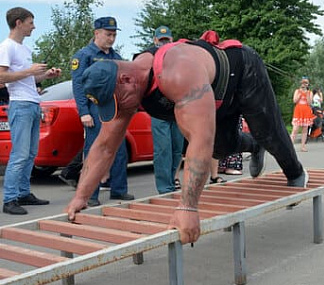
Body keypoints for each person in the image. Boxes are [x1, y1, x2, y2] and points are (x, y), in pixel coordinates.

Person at [66, 31, 308, 244]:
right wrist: (81, 196)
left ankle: (295, 172)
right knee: (219, 150)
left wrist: (188, 207)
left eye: (118, 102)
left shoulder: (178, 73)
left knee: (269, 132)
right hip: (214, 97)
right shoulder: (126, 85)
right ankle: (255, 147)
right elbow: (105, 146)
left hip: (243, 73)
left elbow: (199, 139)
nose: (121, 110)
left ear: (126, 79)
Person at [0, 7, 62, 215]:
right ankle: (9, 200)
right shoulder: (6, 47)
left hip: (34, 104)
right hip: (20, 105)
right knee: (20, 154)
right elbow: (1, 78)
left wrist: (45, 76)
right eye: (30, 22)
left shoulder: (24, 49)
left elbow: (28, 78)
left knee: (30, 154)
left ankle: (24, 193)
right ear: (18, 23)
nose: (33, 26)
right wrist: (30, 71)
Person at [70, 16, 134, 207]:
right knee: (94, 151)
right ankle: (90, 193)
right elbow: (78, 86)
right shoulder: (84, 55)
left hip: (114, 110)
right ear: (96, 33)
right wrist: (83, 112)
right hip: (94, 108)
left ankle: (119, 190)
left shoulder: (116, 57)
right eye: (108, 34)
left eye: (114, 35)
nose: (111, 38)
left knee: (119, 150)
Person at [149, 26, 185, 194]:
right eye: (161, 40)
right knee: (163, 149)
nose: (164, 42)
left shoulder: (178, 57)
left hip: (177, 109)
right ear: (155, 40)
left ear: (172, 40)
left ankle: (172, 181)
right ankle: (165, 188)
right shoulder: (148, 56)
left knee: (177, 149)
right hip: (158, 109)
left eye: (167, 40)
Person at [289, 77, 313, 152]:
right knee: (295, 129)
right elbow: (295, 101)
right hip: (298, 110)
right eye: (303, 82)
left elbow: (309, 103)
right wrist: (300, 94)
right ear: (301, 83)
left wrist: (307, 94)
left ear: (308, 84)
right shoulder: (297, 91)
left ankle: (303, 146)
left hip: (306, 111)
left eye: (306, 83)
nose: (304, 84)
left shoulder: (310, 92)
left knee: (305, 129)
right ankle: (290, 145)